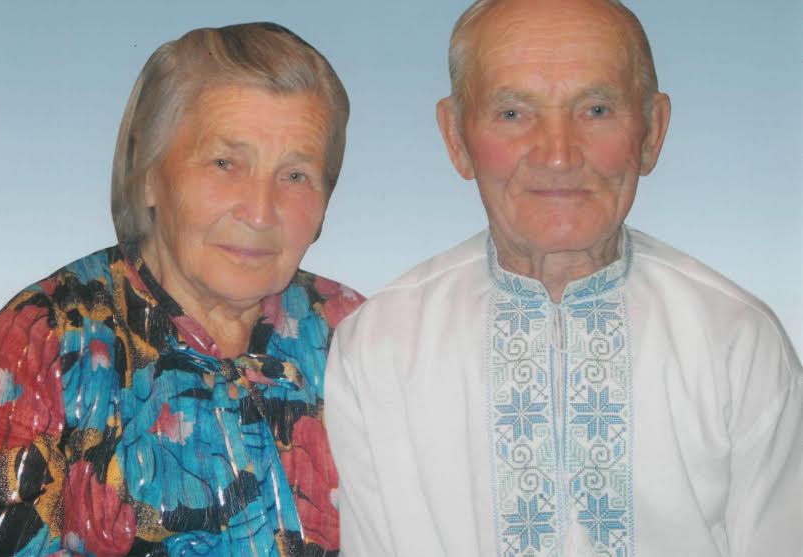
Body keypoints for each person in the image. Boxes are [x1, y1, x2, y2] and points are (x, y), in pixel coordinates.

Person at [324, 1, 803, 556]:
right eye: (513, 113)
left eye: (596, 110)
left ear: (652, 131)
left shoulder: (736, 341)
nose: (557, 155)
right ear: (456, 137)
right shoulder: (379, 345)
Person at [0, 22, 362, 556]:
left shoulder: (357, 334)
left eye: (296, 175)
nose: (260, 212)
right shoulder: (46, 337)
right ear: (148, 174)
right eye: (225, 163)